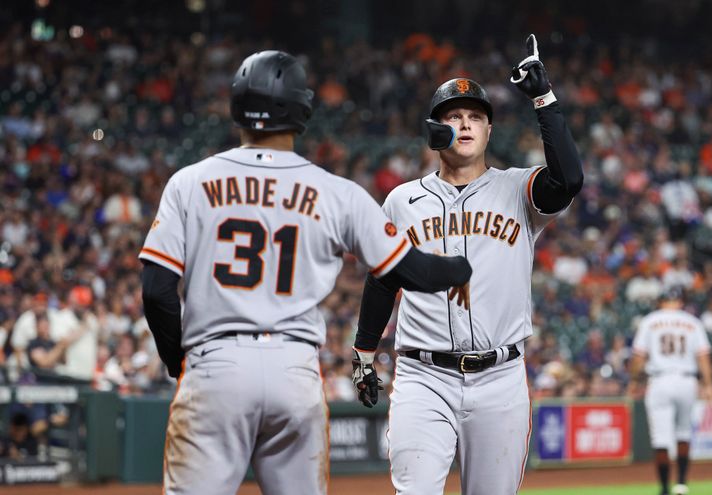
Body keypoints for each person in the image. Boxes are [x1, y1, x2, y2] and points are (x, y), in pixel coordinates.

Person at [138, 50, 472, 495]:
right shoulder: (337, 193)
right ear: (303, 109)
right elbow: (416, 272)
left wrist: (176, 360)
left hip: (215, 365)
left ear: (236, 105)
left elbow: (157, 290)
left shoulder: (189, 182)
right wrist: (465, 264)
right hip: (292, 368)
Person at [352, 34, 583, 494]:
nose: (466, 124)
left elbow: (569, 179)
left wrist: (544, 100)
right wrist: (363, 351)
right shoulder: (403, 200)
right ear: (435, 130)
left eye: (476, 117)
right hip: (422, 376)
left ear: (489, 131)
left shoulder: (519, 189)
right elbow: (383, 280)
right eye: (453, 116)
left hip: (500, 378)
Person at [627, 287, 712, 495]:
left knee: (661, 438)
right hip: (687, 381)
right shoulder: (692, 322)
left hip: (660, 380)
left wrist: (633, 380)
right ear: (681, 302)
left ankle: (665, 488)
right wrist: (709, 384)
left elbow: (639, 356)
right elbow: (703, 356)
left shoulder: (650, 320)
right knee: (684, 433)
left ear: (660, 301)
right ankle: (682, 484)